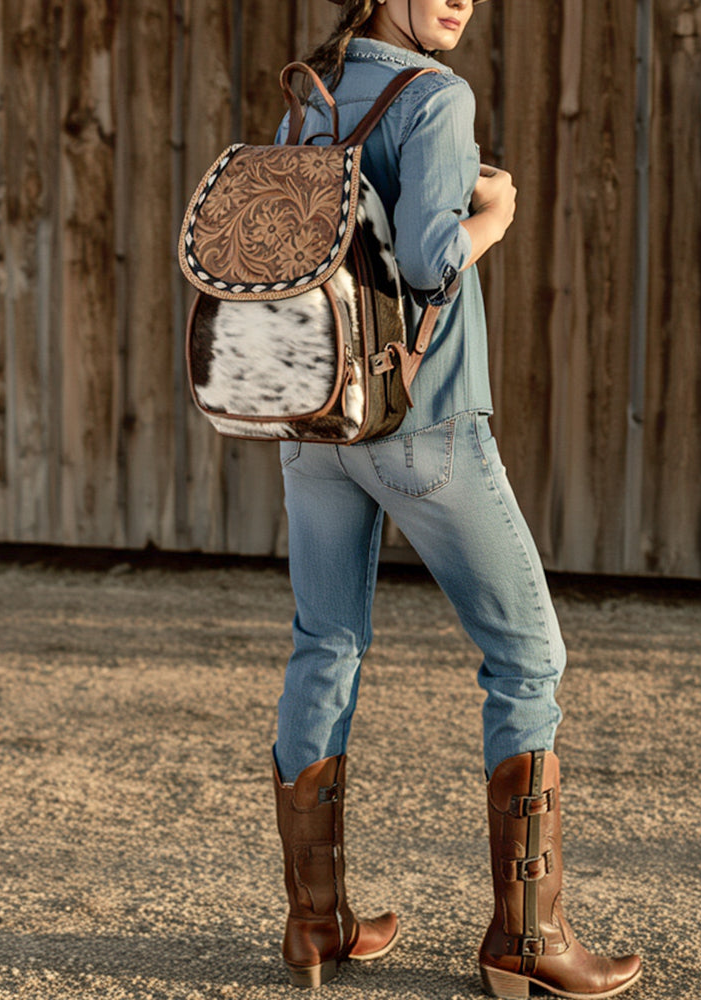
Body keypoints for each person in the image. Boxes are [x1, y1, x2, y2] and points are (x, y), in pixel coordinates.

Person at [270, 1, 643, 996]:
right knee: (528, 656)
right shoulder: (436, 95)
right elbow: (428, 262)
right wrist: (494, 216)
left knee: (327, 643)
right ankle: (526, 939)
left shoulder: (309, 91)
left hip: (314, 419)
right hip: (418, 421)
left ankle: (317, 924)